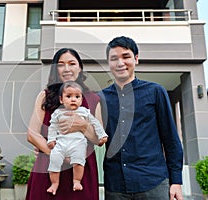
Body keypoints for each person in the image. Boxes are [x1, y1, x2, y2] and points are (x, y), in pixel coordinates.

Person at [99, 36, 184, 200]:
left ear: (136, 59)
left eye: (125, 56)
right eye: (114, 58)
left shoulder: (155, 91)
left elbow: (171, 139)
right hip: (115, 186)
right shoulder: (101, 98)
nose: (120, 63)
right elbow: (86, 134)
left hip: (153, 184)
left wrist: (176, 182)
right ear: (108, 63)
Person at [26, 48, 103, 200]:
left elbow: (98, 139)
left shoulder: (93, 99)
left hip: (81, 168)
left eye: (72, 63)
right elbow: (32, 134)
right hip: (48, 167)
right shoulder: (45, 96)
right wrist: (58, 155)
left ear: (79, 68)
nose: (67, 69)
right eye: (61, 64)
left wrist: (82, 126)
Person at [47, 81, 108, 195]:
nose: (73, 99)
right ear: (61, 100)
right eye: (69, 96)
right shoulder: (58, 113)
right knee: (54, 160)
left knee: (79, 161)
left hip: (78, 144)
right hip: (61, 143)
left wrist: (102, 135)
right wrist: (51, 140)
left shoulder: (85, 112)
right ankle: (54, 183)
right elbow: (52, 127)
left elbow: (95, 124)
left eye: (77, 97)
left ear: (81, 100)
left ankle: (77, 181)